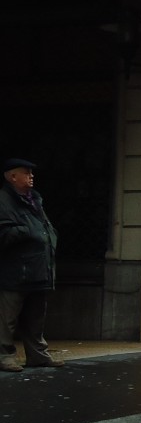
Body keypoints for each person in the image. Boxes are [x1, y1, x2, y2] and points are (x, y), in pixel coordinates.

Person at [0, 158, 63, 371]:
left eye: (31, 173)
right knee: (7, 319)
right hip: (15, 271)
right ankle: (4, 356)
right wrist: (25, 231)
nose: (31, 176)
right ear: (12, 177)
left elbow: (44, 228)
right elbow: (4, 234)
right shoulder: (3, 200)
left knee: (36, 317)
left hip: (39, 268)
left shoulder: (35, 199)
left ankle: (38, 355)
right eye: (26, 173)